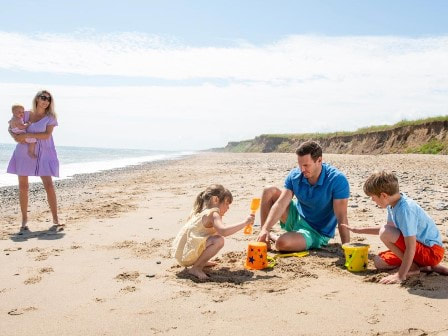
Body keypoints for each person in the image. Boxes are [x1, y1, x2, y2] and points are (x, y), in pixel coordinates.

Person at [341, 171, 448, 284]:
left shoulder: (405, 209)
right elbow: (389, 228)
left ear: (384, 195)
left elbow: (408, 245)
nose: (372, 200)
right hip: (420, 250)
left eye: (373, 197)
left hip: (431, 252)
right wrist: (358, 230)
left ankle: (414, 267)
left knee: (385, 233)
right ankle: (426, 266)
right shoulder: (392, 204)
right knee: (379, 261)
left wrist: (400, 275)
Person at [257, 140, 350, 252]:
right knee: (268, 191)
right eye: (300, 165)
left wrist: (347, 248)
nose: (302, 170)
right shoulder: (295, 175)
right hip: (295, 216)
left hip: (315, 231)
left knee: (281, 243)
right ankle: (264, 237)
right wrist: (265, 228)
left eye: (306, 165)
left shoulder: (337, 179)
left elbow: (342, 217)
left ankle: (274, 237)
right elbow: (281, 204)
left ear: (319, 160)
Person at [7, 90, 63, 233]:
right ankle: (24, 219)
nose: (45, 101)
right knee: (23, 187)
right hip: (24, 152)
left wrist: (28, 134)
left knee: (49, 185)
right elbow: (11, 125)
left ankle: (55, 218)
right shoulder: (24, 114)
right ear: (37, 99)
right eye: (43, 97)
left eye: (48, 99)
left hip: (43, 153)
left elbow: (46, 135)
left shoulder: (50, 117)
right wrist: (15, 136)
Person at [172, 184, 254, 280]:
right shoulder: (214, 213)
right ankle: (196, 268)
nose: (228, 208)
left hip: (183, 254)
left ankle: (200, 261)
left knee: (215, 234)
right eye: (227, 203)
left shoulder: (202, 211)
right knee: (219, 240)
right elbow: (224, 231)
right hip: (188, 255)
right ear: (215, 200)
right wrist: (245, 222)